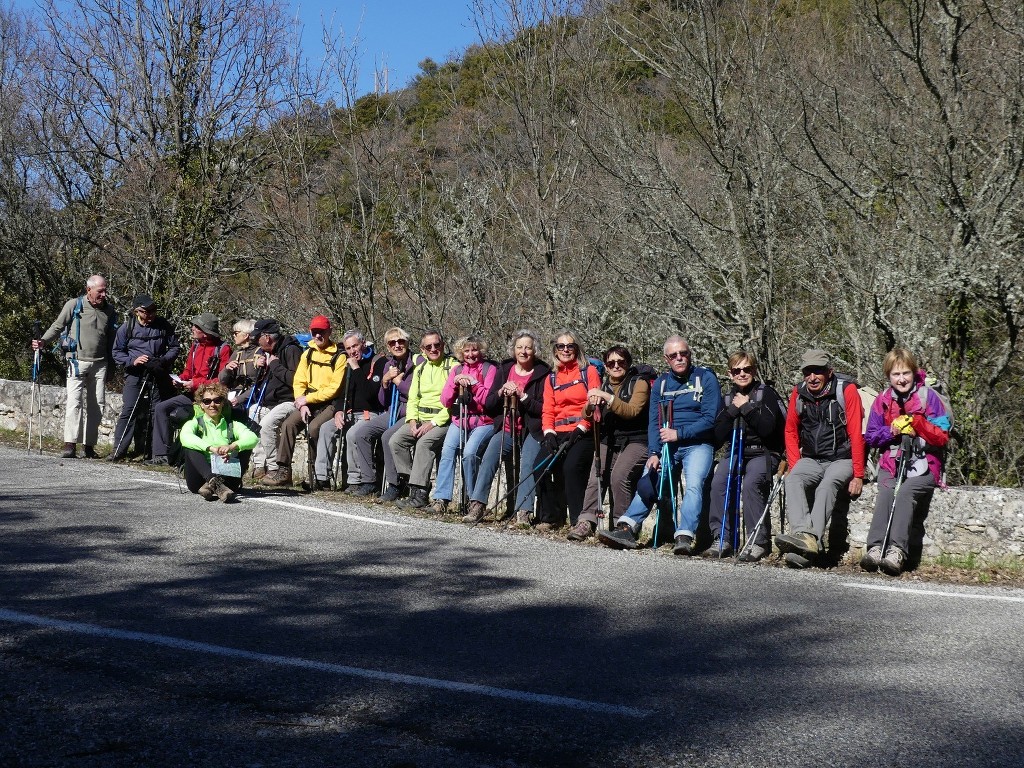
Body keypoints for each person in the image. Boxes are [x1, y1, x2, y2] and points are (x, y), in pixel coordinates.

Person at [597, 336, 721, 555]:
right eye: (674, 355)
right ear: (667, 359)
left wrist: (679, 434)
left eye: (683, 353)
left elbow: (711, 418)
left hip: (698, 444)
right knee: (650, 477)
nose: (679, 358)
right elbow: (654, 422)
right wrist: (654, 452)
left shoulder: (706, 378)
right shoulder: (661, 384)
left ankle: (684, 536)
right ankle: (628, 527)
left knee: (693, 484)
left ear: (689, 354)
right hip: (666, 445)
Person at [860, 348, 950, 576]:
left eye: (906, 373)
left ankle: (897, 551)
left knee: (906, 492)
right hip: (892, 462)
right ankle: (875, 548)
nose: (901, 379)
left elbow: (942, 435)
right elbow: (870, 436)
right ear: (888, 376)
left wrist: (918, 424)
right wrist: (891, 431)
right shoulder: (882, 400)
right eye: (896, 374)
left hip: (926, 464)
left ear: (914, 372)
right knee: (886, 491)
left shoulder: (928, 397)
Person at [774, 348, 866, 568]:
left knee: (827, 486)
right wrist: (795, 465)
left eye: (818, 372)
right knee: (793, 479)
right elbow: (790, 431)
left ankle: (807, 543)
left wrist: (859, 474)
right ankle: (805, 536)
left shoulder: (847, 391)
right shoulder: (799, 393)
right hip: (812, 458)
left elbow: (856, 432)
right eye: (808, 372)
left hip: (841, 458)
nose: (812, 378)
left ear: (829, 372)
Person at [703, 351, 786, 560]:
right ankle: (722, 538)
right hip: (736, 452)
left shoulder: (765, 394)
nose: (742, 374)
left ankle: (758, 541)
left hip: (763, 452)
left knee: (751, 483)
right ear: (729, 374)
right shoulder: (728, 398)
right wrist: (732, 410)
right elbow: (717, 437)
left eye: (747, 369)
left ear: (754, 370)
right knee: (720, 480)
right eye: (737, 370)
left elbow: (768, 429)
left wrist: (747, 408)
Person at [463, 330, 550, 525]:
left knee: (528, 462)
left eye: (528, 347)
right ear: (513, 349)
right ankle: (477, 504)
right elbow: (490, 403)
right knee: (490, 457)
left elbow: (543, 408)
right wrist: (502, 391)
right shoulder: (505, 368)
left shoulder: (544, 372)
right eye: (520, 347)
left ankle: (523, 512)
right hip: (508, 426)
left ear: (535, 349)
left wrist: (522, 396)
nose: (524, 351)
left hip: (533, 429)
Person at [570, 345, 650, 541]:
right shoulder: (605, 385)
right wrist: (590, 403)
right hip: (610, 438)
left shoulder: (639, 383)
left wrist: (607, 397)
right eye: (611, 363)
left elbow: (631, 411)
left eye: (621, 362)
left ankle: (623, 526)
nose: (616, 366)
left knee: (619, 475)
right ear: (605, 366)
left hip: (638, 439)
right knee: (596, 475)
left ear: (628, 363)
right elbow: (586, 414)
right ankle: (587, 521)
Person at [33, 274, 118, 458]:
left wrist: (112, 365)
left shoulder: (110, 311)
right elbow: (58, 325)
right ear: (89, 289)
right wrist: (43, 341)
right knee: (74, 402)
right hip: (76, 361)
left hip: (100, 364)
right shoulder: (74, 305)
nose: (104, 294)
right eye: (100, 291)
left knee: (97, 405)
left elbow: (112, 339)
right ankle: (69, 444)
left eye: (105, 290)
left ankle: (89, 446)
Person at [263, 315, 347, 487]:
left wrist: (306, 399)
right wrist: (302, 404)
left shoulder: (339, 356)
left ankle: (316, 474)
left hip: (329, 403)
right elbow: (299, 380)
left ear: (329, 332)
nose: (317, 336)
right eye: (314, 332)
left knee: (315, 429)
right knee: (288, 425)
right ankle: (283, 471)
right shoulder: (307, 352)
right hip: (308, 402)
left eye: (321, 332)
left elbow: (334, 388)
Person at [535, 330, 601, 532]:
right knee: (540, 466)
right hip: (557, 431)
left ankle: (578, 520)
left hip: (583, 430)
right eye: (561, 346)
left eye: (570, 346)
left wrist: (582, 427)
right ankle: (551, 516)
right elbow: (548, 409)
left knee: (571, 467)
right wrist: (548, 432)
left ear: (577, 349)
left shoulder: (588, 372)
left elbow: (594, 404)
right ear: (555, 350)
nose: (565, 350)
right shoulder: (552, 378)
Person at [148, 313, 231, 465]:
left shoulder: (223, 350)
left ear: (205, 332)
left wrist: (196, 383)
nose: (192, 328)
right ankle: (161, 455)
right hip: (192, 395)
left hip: (210, 399)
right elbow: (188, 371)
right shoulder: (196, 346)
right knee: (161, 408)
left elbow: (221, 381)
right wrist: (180, 379)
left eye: (196, 326)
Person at [430, 335, 498, 514]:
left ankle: (474, 500)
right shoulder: (457, 369)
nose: (471, 354)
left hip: (484, 421)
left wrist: (474, 384)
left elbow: (489, 401)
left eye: (474, 349)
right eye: (466, 350)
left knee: (469, 453)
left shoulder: (489, 369)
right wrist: (455, 383)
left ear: (480, 351)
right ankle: (441, 498)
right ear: (461, 353)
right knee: (447, 451)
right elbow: (445, 400)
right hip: (460, 419)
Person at [312, 330, 386, 492]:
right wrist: (338, 411)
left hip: (370, 413)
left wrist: (357, 368)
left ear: (363, 344)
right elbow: (342, 392)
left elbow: (370, 394)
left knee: (353, 434)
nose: (352, 351)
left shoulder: (378, 362)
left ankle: (355, 481)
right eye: (348, 348)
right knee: (326, 429)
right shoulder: (349, 364)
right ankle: (321, 478)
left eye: (355, 346)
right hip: (349, 412)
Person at [109, 294, 180, 461]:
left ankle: (157, 454)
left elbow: (174, 347)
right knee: (129, 410)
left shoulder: (163, 326)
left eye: (153, 311)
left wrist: (162, 360)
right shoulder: (126, 328)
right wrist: (133, 361)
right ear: (137, 311)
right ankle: (118, 451)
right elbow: (117, 352)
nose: (151, 315)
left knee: (158, 411)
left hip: (158, 372)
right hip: (135, 374)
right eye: (147, 312)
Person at [391, 331, 454, 509]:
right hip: (420, 418)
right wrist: (411, 421)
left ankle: (420, 494)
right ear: (422, 350)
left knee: (424, 443)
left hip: (442, 421)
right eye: (428, 347)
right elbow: (413, 399)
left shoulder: (452, 367)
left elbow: (452, 403)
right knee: (396, 441)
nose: (433, 349)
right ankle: (416, 484)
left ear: (443, 345)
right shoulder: (421, 369)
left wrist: (432, 423)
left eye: (437, 345)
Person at [178, 382, 259, 502]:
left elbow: (253, 438)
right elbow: (185, 436)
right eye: (207, 401)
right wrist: (210, 448)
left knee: (244, 446)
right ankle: (212, 481)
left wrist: (232, 447)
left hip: (227, 476)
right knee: (190, 447)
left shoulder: (232, 425)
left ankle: (211, 486)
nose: (212, 405)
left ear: (223, 403)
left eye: (217, 400)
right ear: (201, 405)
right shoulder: (195, 423)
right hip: (199, 477)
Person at [247, 318, 302, 482]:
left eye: (258, 338)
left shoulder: (291, 350)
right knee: (252, 415)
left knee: (266, 425)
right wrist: (263, 368)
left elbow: (296, 380)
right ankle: (259, 465)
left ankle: (274, 468)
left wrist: (275, 366)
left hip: (290, 401)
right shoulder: (271, 354)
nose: (257, 343)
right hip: (270, 401)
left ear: (267, 337)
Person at [372, 328, 422, 502]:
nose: (397, 345)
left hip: (411, 410)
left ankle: (396, 484)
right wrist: (385, 381)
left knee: (387, 437)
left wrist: (398, 382)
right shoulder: (389, 364)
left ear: (407, 343)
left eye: (400, 341)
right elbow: (383, 402)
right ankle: (367, 482)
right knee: (360, 432)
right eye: (392, 343)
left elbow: (415, 393)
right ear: (387, 346)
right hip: (394, 409)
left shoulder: (418, 362)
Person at [219, 319, 260, 405]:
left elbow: (260, 385)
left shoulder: (259, 353)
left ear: (245, 335)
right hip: (234, 394)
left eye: (236, 333)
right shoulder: (237, 353)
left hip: (252, 399)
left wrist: (239, 399)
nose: (234, 336)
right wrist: (227, 369)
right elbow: (222, 380)